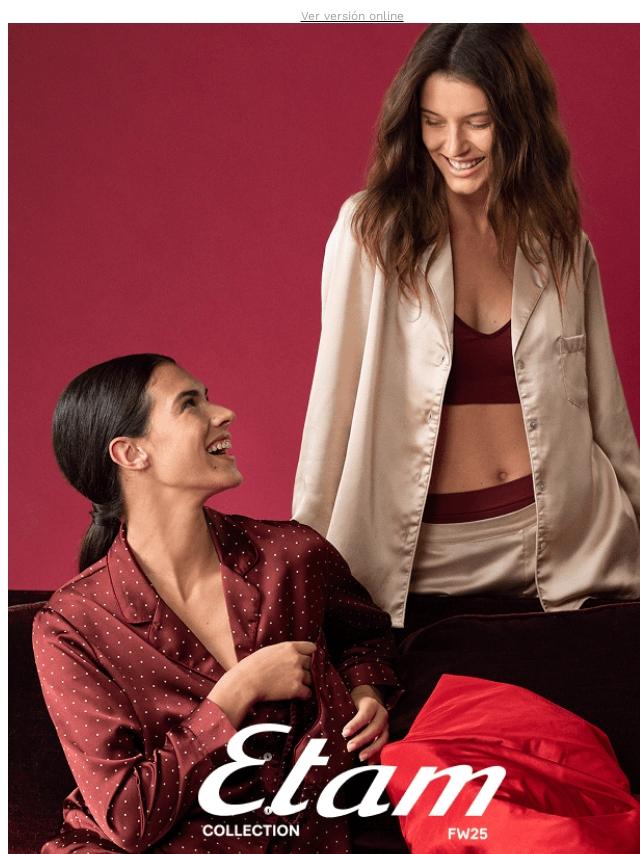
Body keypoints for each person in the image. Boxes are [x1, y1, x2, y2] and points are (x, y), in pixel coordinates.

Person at [292, 23, 640, 632]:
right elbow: (333, 404)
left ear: (520, 122)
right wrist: (302, 568)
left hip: (571, 552)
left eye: (478, 122)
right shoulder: (372, 233)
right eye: (434, 122)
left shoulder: (560, 243)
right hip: (423, 566)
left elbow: (605, 411)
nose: (453, 144)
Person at [32, 353, 400, 853]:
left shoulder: (293, 555)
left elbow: (366, 637)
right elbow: (128, 817)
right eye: (189, 404)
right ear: (130, 453)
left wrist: (367, 692)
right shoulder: (72, 625)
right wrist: (237, 692)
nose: (224, 413)